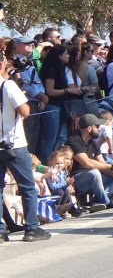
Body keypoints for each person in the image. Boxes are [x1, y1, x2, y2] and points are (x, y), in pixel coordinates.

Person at [0, 50, 51, 242]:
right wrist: (21, 96)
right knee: (28, 186)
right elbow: (25, 111)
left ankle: (0, 229)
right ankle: (31, 228)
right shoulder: (7, 85)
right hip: (13, 143)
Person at [66, 113, 113, 211]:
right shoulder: (73, 141)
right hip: (76, 181)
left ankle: (96, 202)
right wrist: (111, 167)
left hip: (94, 180)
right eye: (97, 126)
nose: (99, 129)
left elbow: (102, 164)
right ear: (89, 128)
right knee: (94, 172)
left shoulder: (93, 143)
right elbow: (87, 163)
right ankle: (106, 202)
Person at [40, 45, 83, 159]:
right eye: (65, 54)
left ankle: (57, 165)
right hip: (53, 107)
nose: (68, 55)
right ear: (59, 56)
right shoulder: (51, 69)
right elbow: (50, 91)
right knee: (50, 139)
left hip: (62, 107)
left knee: (61, 137)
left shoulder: (61, 68)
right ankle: (46, 164)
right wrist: (67, 90)